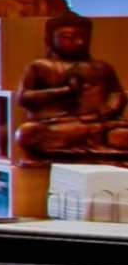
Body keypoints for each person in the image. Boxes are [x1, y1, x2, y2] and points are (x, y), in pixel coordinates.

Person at [14, 15, 128, 159]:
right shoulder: (39, 66)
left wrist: (105, 112)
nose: (80, 42)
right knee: (27, 134)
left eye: (83, 38)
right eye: (69, 37)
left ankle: (88, 146)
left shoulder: (102, 67)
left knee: (122, 135)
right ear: (50, 38)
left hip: (100, 124)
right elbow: (24, 98)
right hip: (59, 125)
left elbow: (116, 94)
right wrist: (65, 91)